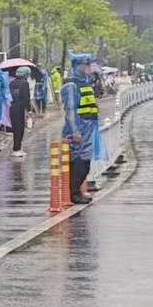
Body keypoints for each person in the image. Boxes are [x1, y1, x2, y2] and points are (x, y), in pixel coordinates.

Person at [61, 50, 106, 203]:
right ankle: (74, 193)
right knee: (79, 162)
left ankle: (76, 191)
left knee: (85, 162)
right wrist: (75, 131)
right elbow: (70, 111)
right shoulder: (71, 85)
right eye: (85, 64)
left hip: (88, 127)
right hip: (79, 128)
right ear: (77, 66)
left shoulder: (85, 82)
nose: (88, 67)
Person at [9, 66, 32, 157]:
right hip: (20, 108)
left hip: (12, 107)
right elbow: (26, 97)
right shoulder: (25, 83)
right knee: (20, 128)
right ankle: (17, 149)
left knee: (15, 128)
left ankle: (17, 147)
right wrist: (29, 109)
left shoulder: (12, 82)